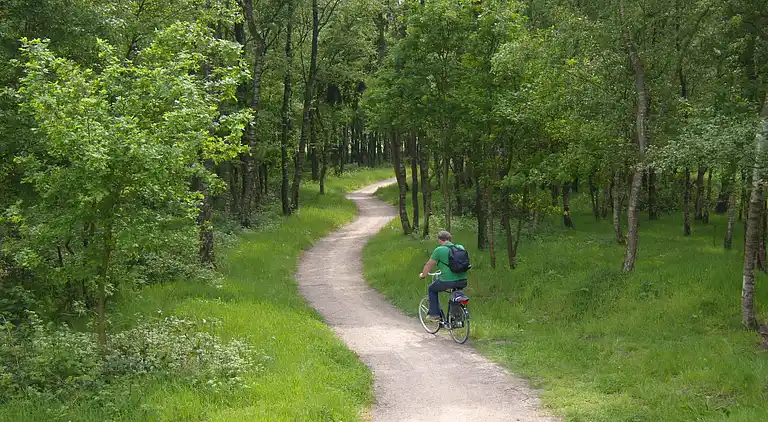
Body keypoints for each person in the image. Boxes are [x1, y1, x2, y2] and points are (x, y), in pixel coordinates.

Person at [419, 230, 468, 321]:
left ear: (439, 240)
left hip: (447, 281)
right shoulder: (460, 247)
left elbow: (429, 265)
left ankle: (434, 314)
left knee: (432, 289)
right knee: (457, 295)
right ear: (450, 239)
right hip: (462, 280)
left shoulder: (439, 250)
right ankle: (455, 319)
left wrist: (423, 275)